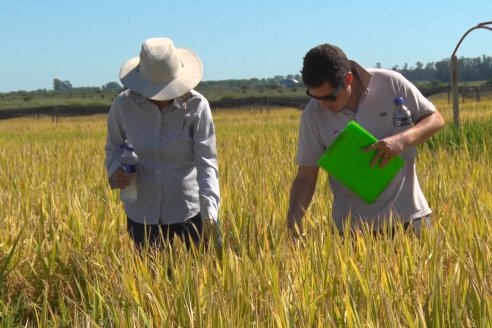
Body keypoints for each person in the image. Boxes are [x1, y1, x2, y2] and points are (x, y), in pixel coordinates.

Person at [287, 43, 445, 238]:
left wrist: (401, 140)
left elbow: (435, 119)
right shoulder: (313, 114)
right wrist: (293, 224)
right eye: (315, 97)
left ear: (348, 79)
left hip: (411, 218)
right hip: (353, 231)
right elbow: (305, 178)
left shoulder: (391, 84)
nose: (324, 105)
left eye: (330, 97)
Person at [105, 37, 220, 250]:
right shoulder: (123, 105)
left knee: (196, 277)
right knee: (147, 276)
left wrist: (210, 214)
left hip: (187, 210)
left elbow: (207, 163)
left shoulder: (197, 106)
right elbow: (113, 146)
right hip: (142, 212)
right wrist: (115, 171)